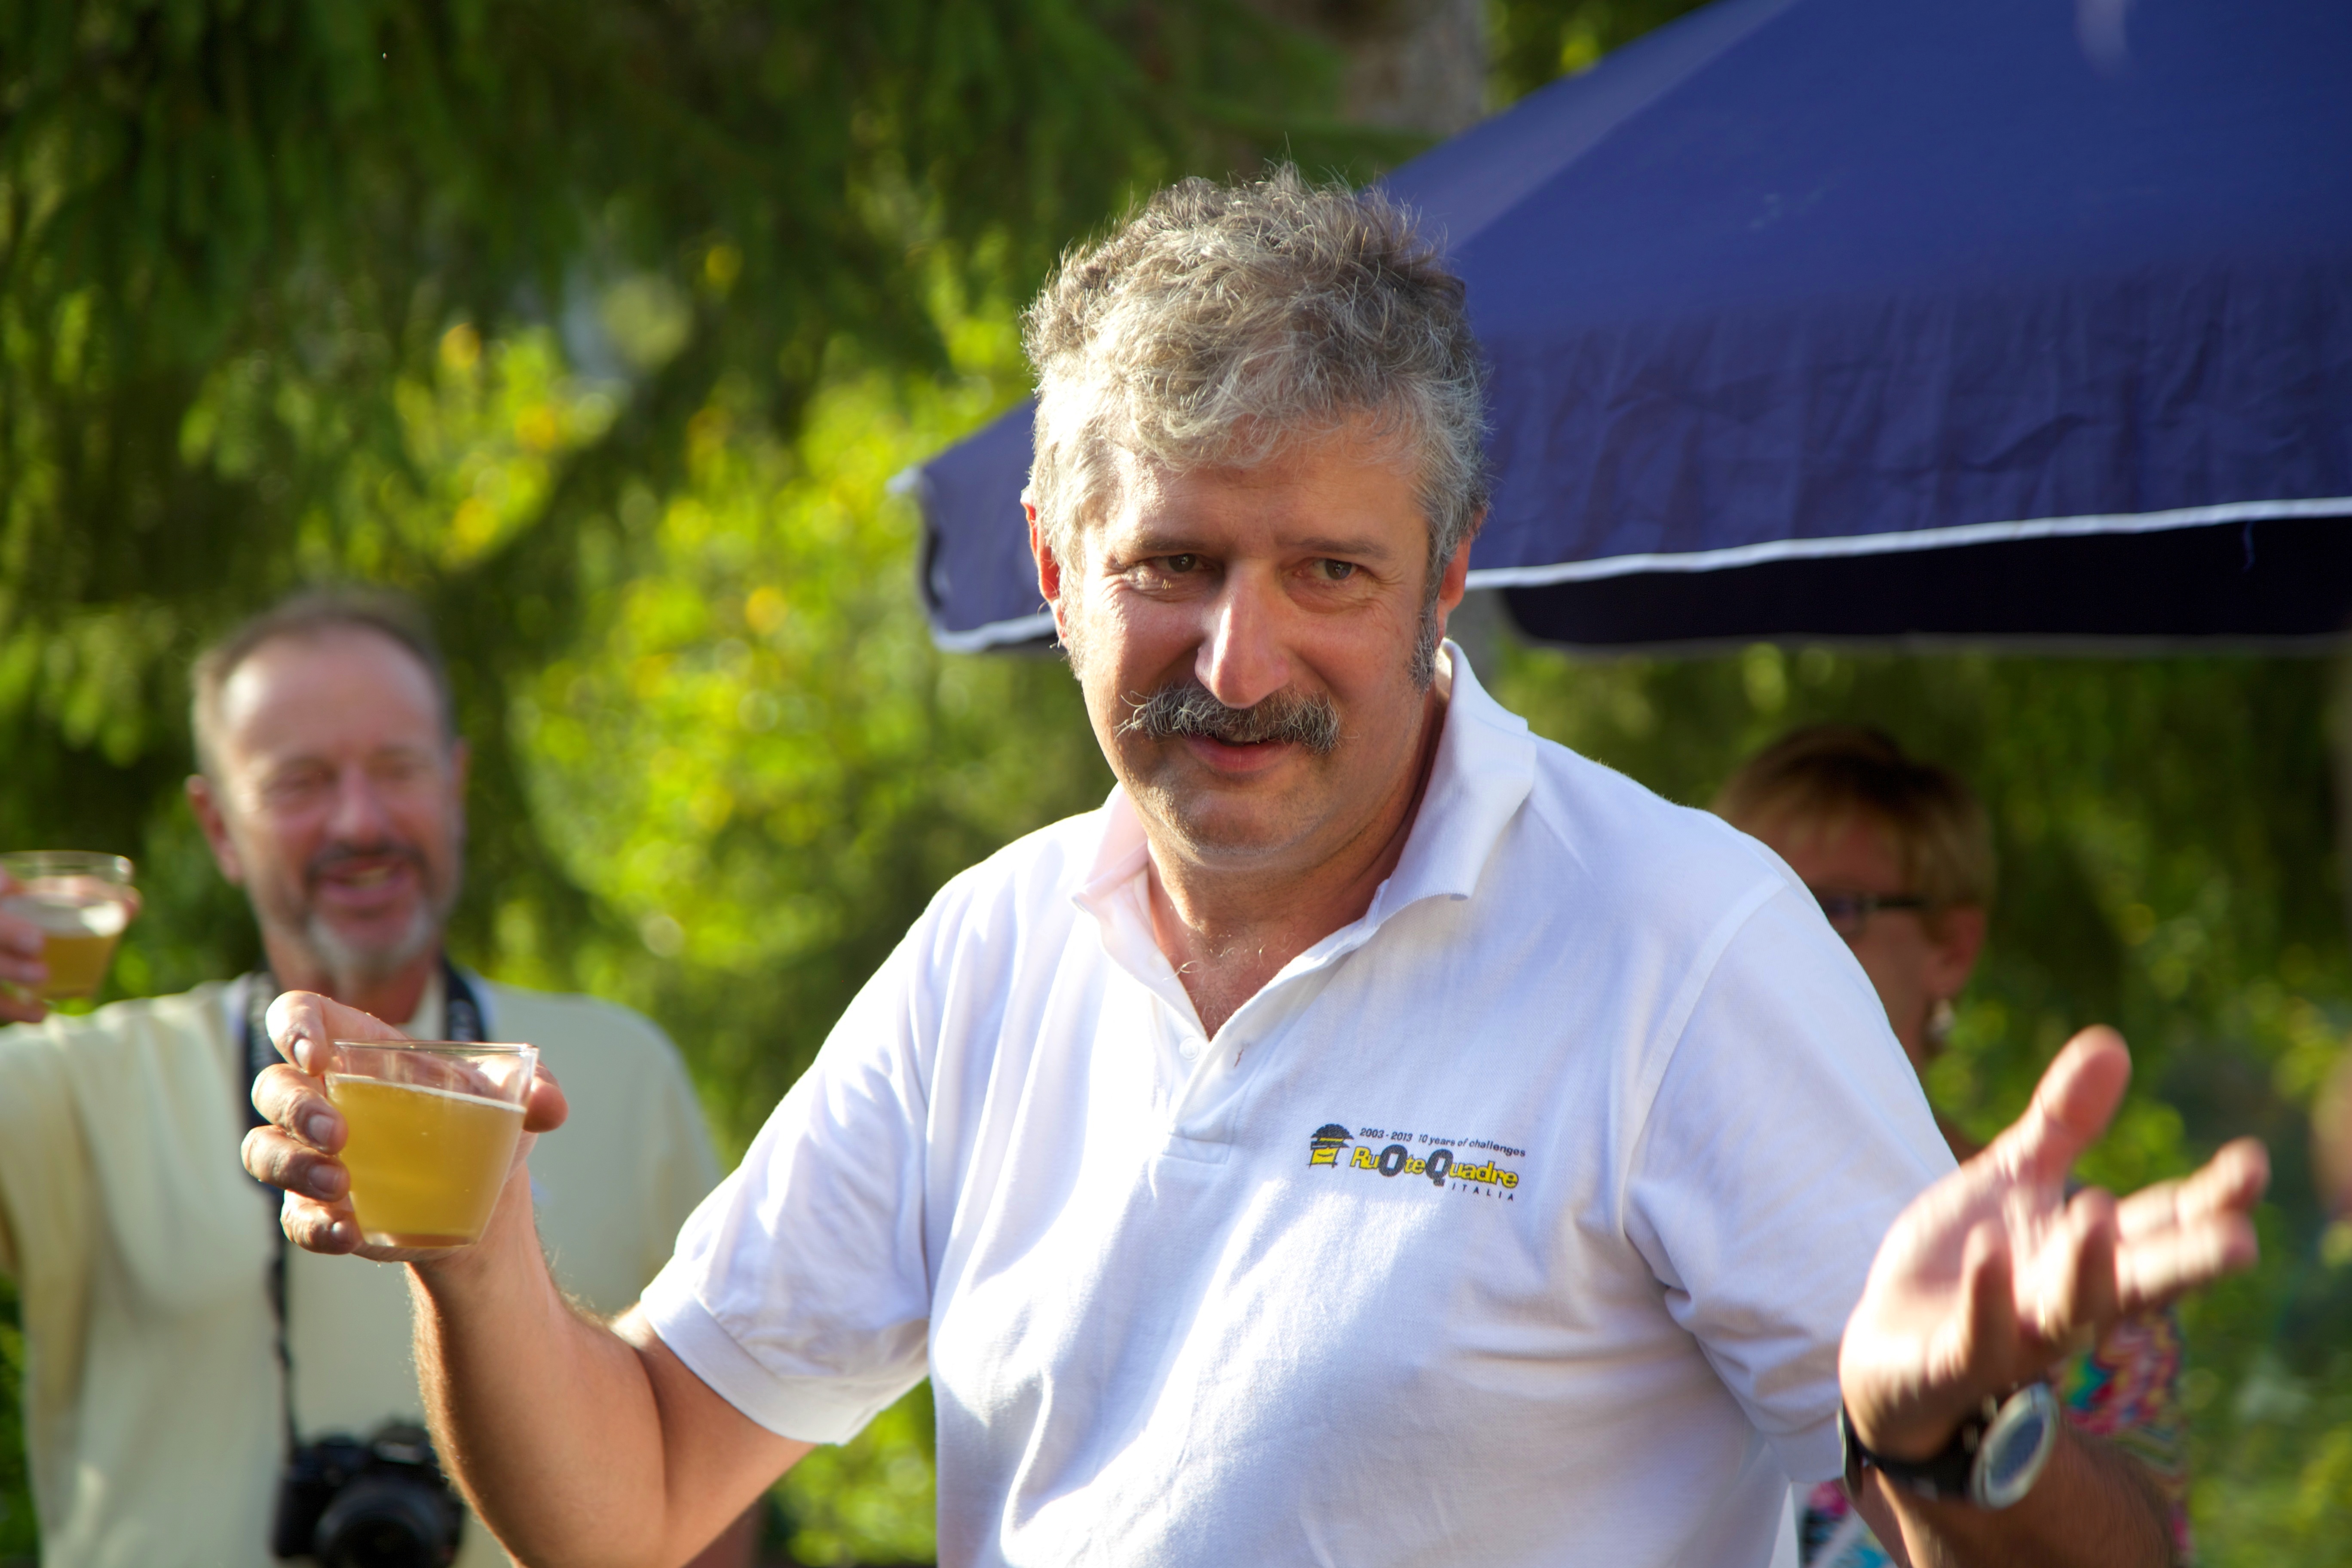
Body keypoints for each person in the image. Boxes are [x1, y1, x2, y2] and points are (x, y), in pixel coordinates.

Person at [244, 170, 2267, 1568]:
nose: (1239, 660)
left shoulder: (1677, 938)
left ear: (1445, 573)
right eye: (1171, 565)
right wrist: (474, 1246)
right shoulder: (994, 950)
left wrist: (1945, 1433)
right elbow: (633, 1492)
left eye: (1325, 572)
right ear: (1050, 560)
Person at [0, 590, 742, 1568]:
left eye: (397, 770)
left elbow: (710, 1476)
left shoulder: (621, 1072)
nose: (360, 820)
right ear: (218, 825)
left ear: (455, 785)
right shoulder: (72, 1090)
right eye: (300, 782)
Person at [1717, 725, 2199, 1565]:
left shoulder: (2083, 1263)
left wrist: (1967, 1442)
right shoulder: (1613, 1190)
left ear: (1952, 949)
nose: (1776, 947)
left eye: (1833, 910)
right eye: (1742, 904)